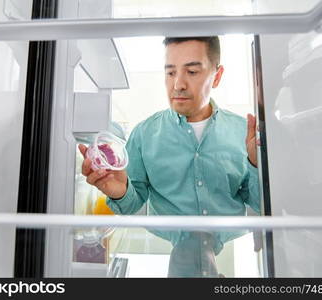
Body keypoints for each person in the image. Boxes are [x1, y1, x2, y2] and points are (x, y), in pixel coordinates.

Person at [78, 36, 260, 277]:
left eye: (192, 71)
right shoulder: (144, 134)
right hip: (164, 242)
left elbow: (259, 204)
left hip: (232, 243)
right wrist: (119, 191)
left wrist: (258, 164)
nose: (178, 85)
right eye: (170, 73)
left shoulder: (243, 132)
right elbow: (132, 203)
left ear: (217, 76)